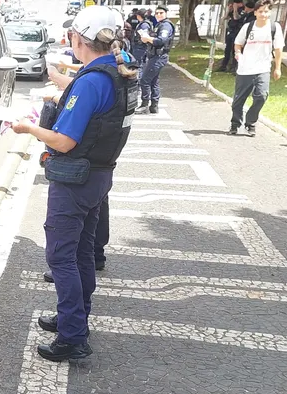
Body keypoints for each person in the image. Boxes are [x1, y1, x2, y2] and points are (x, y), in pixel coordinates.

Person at [12, 5, 138, 362]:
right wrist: (64, 87)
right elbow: (93, 102)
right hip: (100, 175)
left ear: (76, 39)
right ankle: (76, 316)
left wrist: (28, 128)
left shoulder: (93, 80)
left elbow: (64, 141)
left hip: (76, 179)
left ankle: (72, 337)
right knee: (82, 250)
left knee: (61, 257)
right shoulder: (116, 70)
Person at [227, 0, 283, 137]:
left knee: (261, 97)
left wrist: (277, 68)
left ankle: (250, 122)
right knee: (239, 99)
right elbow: (238, 43)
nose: (263, 14)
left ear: (270, 12)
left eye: (266, 11)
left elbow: (278, 49)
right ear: (255, 12)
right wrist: (238, 53)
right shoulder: (248, 26)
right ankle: (235, 124)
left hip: (263, 69)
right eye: (260, 11)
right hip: (245, 69)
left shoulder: (274, 28)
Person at [138, 5, 174, 114]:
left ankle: (145, 105)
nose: (158, 15)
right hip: (155, 55)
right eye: (157, 13)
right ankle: (154, 105)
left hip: (159, 56)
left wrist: (148, 38)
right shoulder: (159, 25)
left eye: (161, 13)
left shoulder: (166, 26)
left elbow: (161, 40)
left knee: (144, 80)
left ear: (166, 14)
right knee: (154, 81)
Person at [217, 0, 247, 72]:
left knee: (235, 50)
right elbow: (225, 18)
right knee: (227, 50)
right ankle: (224, 66)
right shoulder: (233, 10)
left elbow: (236, 17)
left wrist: (235, 9)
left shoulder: (242, 10)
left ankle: (234, 67)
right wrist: (229, 10)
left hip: (237, 31)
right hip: (230, 31)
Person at [130, 10, 153, 79]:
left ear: (139, 16)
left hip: (141, 47)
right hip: (139, 47)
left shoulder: (144, 25)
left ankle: (139, 82)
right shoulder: (142, 24)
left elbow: (144, 36)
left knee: (139, 65)